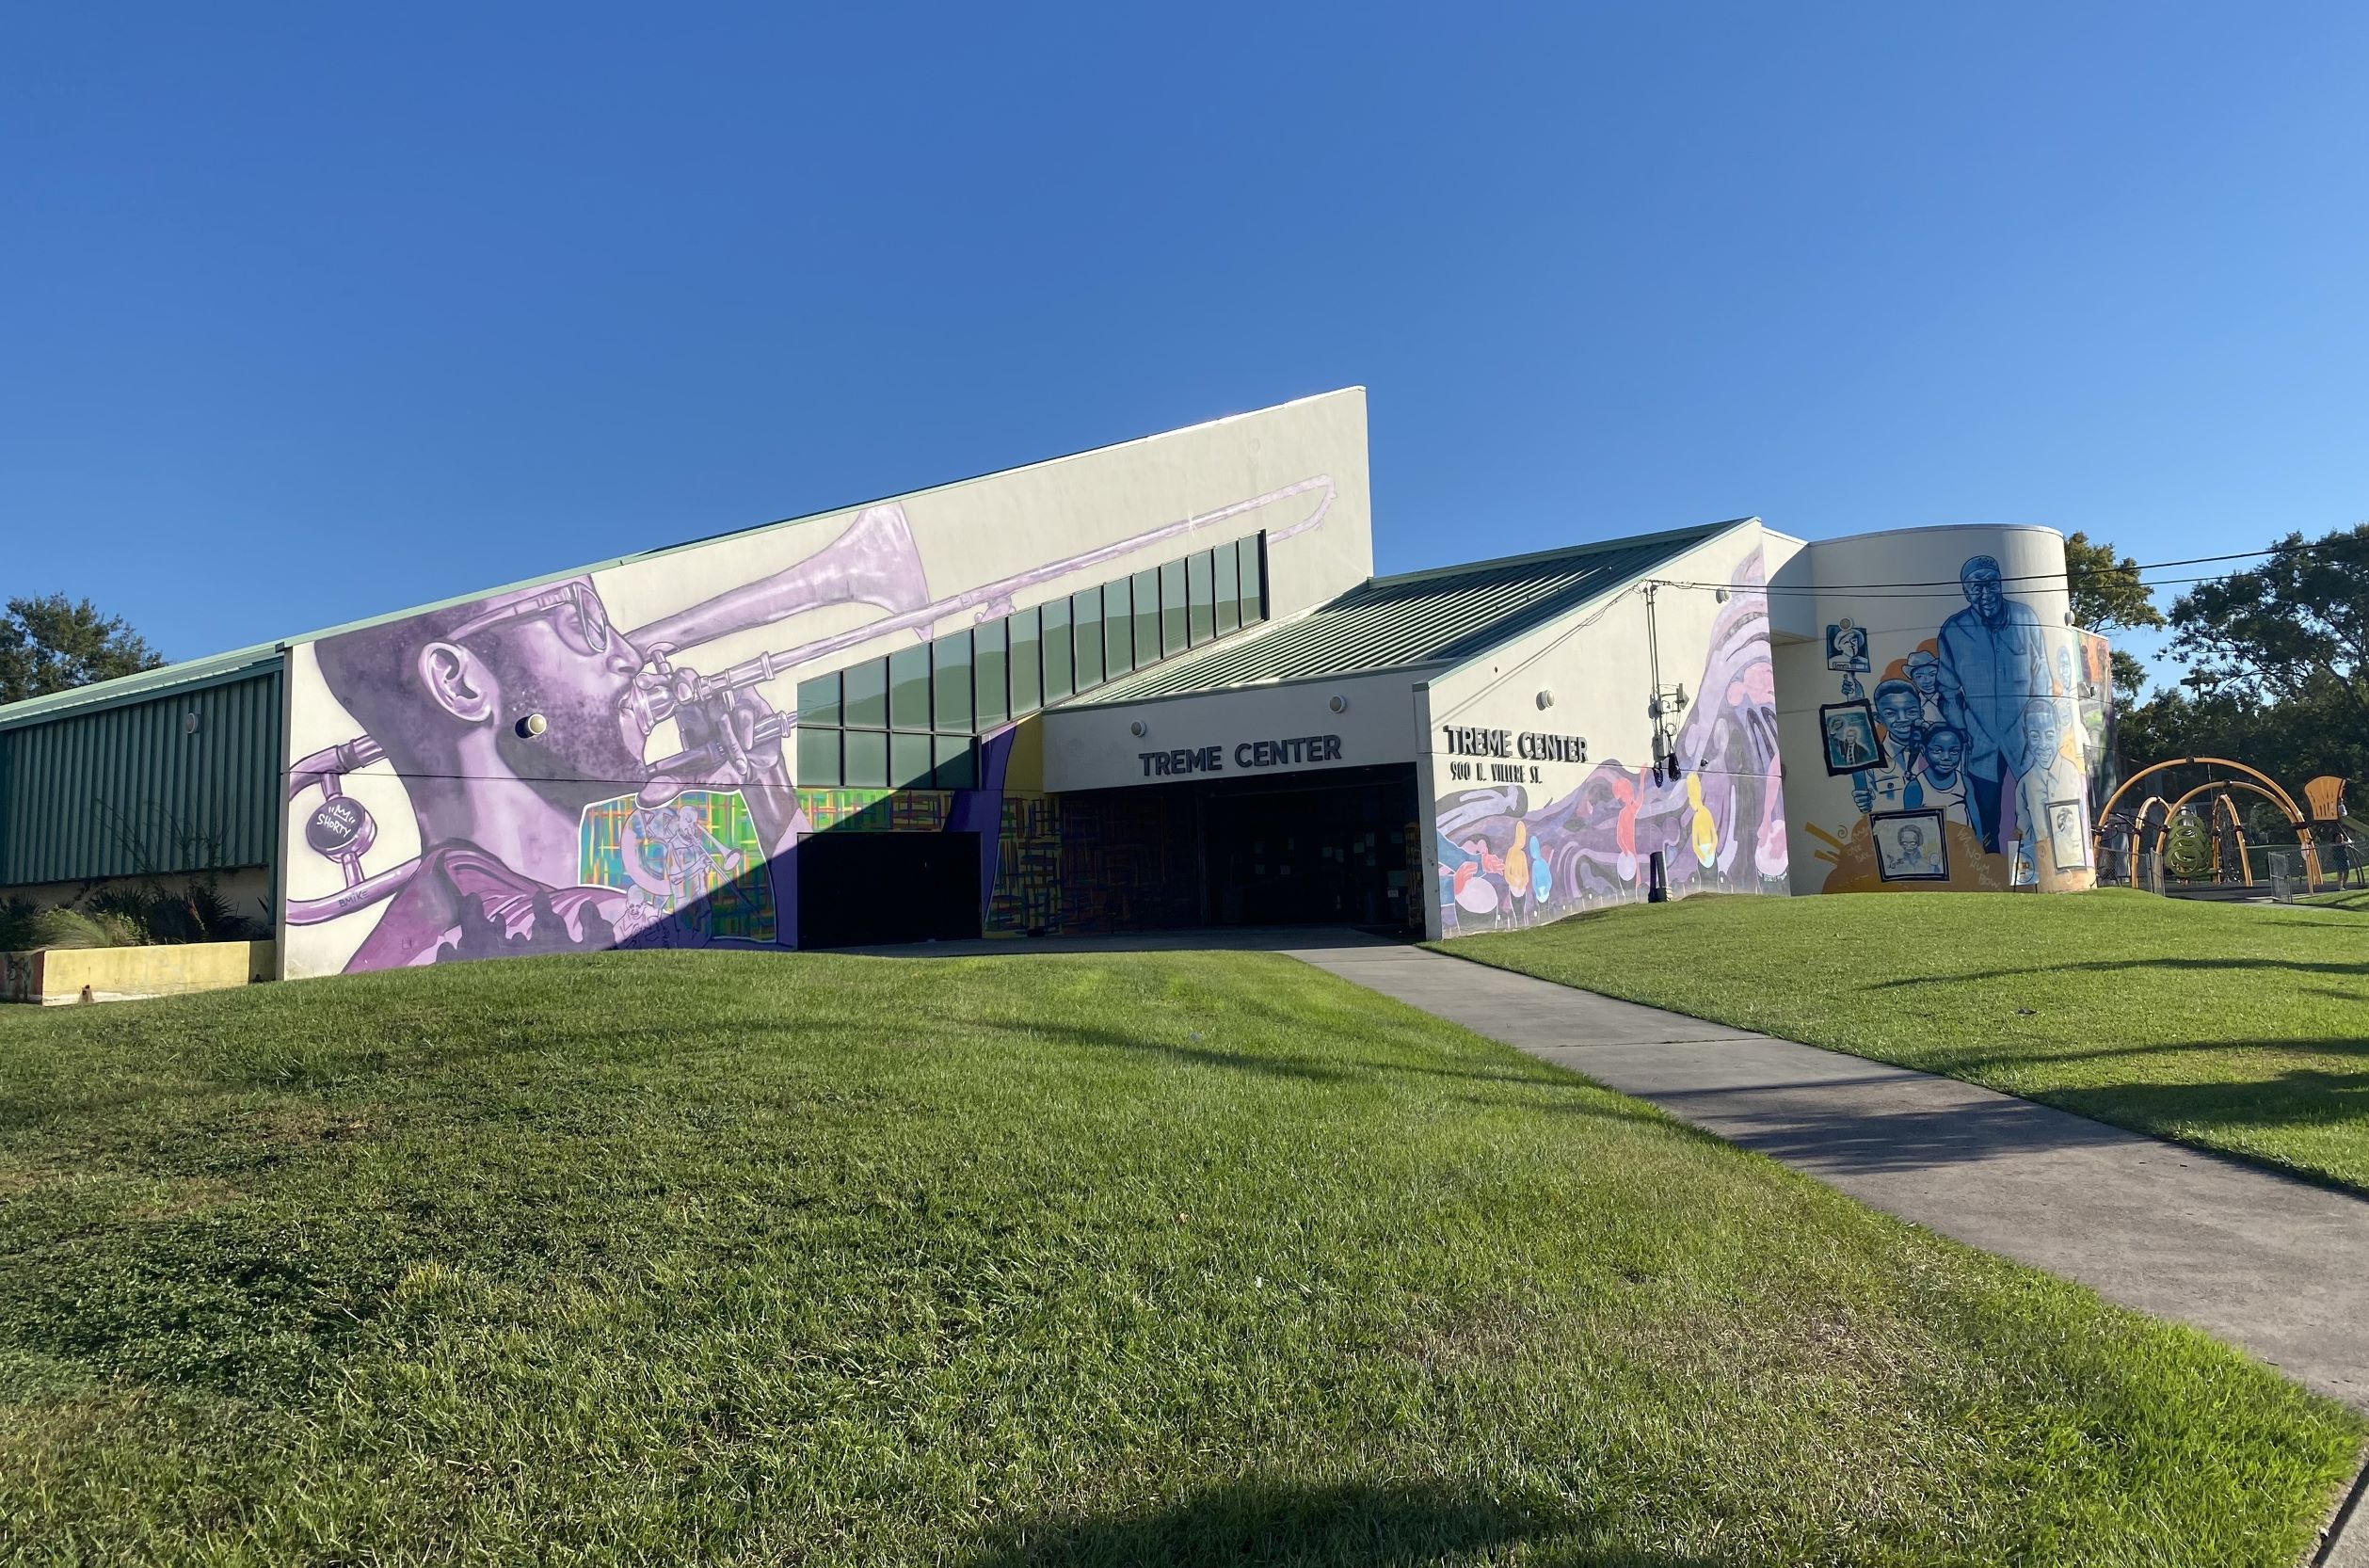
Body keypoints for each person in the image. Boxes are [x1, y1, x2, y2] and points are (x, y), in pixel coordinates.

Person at [311, 575, 796, 969]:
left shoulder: (428, 919)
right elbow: (809, 946)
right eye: (582, 620)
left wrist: (762, 786)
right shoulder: (590, 921)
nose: (629, 654)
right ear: (458, 684)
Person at [1934, 555, 2051, 852]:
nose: (1984, 594)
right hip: (1980, 743)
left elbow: (2042, 677)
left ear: (2000, 583)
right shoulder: (1954, 629)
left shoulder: (2025, 617)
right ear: (1964, 591)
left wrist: (2040, 725)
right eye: (1975, 587)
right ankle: (1989, 870)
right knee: (1985, 820)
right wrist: (1962, 731)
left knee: (2035, 810)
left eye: (1990, 584)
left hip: (2025, 741)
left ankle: (2039, 867)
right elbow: (1947, 690)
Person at [2012, 697, 2089, 879]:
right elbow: (2024, 829)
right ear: (2025, 735)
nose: (2043, 745)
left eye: (2049, 735)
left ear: (2059, 733)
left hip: (2073, 865)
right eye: (2035, 736)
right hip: (2040, 868)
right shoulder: (2024, 783)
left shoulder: (2073, 774)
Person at [1915, 725, 1972, 827]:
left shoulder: (1964, 781)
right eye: (1937, 751)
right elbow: (1910, 823)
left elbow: (1974, 816)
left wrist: (1978, 840)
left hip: (1964, 840)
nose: (1946, 758)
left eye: (1954, 751)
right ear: (1923, 750)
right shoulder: (1916, 786)